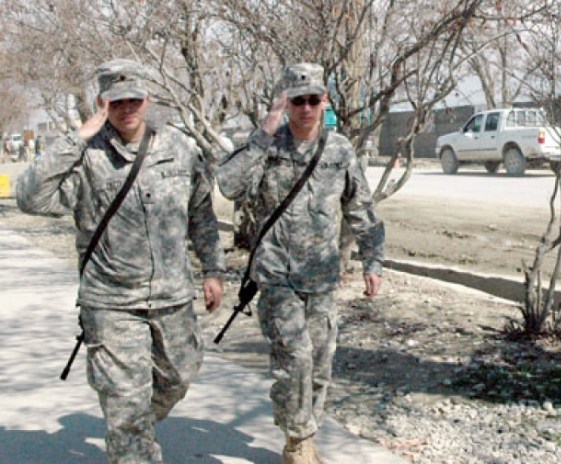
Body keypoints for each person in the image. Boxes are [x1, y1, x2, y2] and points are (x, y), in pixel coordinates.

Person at [16, 58, 225, 464]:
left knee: (179, 377)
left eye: (133, 100)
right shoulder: (87, 157)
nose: (127, 109)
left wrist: (213, 270)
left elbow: (200, 212)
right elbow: (29, 197)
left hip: (172, 297)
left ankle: (130, 429)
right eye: (116, 102)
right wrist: (78, 137)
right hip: (110, 302)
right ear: (102, 103)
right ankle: (129, 439)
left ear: (147, 99)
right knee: (127, 404)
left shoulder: (179, 149)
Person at [216, 63, 385, 464]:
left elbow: (361, 208)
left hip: (322, 278)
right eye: (297, 101)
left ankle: (305, 433)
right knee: (296, 359)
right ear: (285, 102)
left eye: (313, 99)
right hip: (277, 278)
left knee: (321, 366)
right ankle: (298, 442)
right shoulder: (268, 148)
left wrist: (372, 261)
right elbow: (229, 185)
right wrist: (264, 132)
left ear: (324, 101)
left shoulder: (339, 149)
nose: (306, 108)